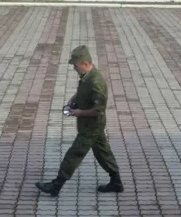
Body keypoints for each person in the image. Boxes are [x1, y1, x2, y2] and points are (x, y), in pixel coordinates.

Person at [35, 45, 124, 197]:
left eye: (76, 66)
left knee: (74, 154)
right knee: (103, 152)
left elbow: (99, 109)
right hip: (90, 125)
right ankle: (116, 182)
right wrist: (72, 102)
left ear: (84, 63)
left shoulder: (96, 82)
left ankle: (56, 186)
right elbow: (81, 94)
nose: (74, 69)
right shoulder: (86, 77)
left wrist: (80, 112)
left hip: (92, 126)